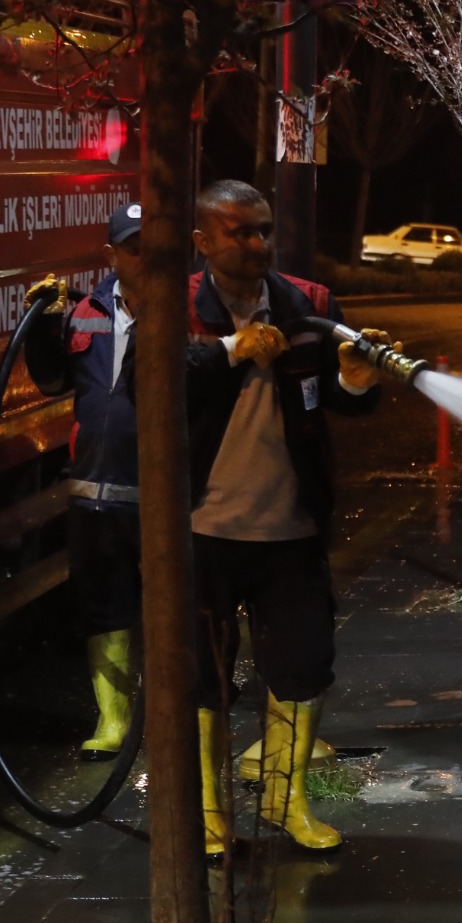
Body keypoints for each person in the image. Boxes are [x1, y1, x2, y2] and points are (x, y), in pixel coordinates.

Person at [186, 180, 392, 853]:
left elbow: (340, 399)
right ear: (203, 241)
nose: (257, 244)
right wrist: (229, 350)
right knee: (202, 677)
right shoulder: (180, 307)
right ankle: (207, 810)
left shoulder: (309, 305)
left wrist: (356, 379)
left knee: (304, 666)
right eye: (239, 232)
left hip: (291, 531)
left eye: (264, 230)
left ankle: (283, 796)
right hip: (202, 531)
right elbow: (145, 380)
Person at [22, 204, 145, 762]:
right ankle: (113, 718)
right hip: (97, 491)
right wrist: (43, 328)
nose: (145, 258)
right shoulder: (86, 313)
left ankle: (174, 711)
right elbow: (52, 382)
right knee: (104, 605)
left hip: (166, 495)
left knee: (178, 605)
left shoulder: (185, 308)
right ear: (112, 254)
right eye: (134, 247)